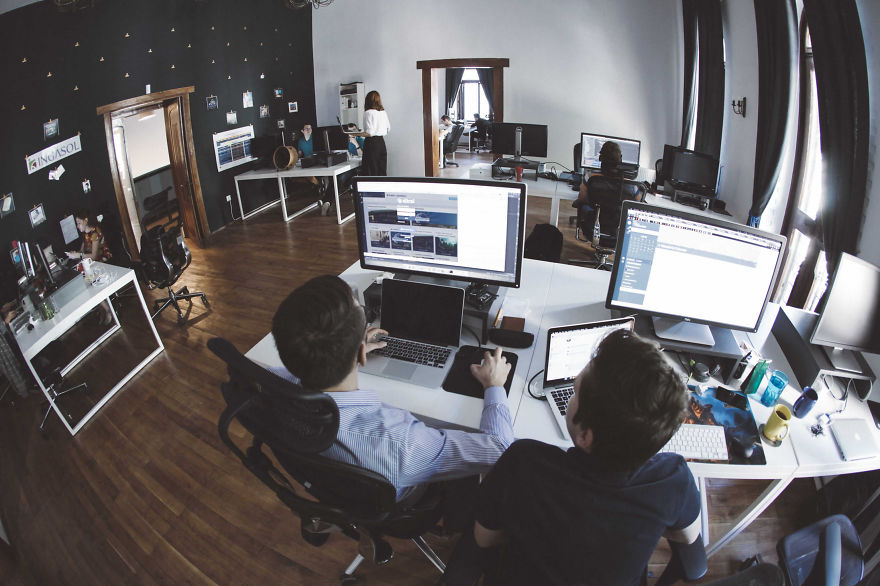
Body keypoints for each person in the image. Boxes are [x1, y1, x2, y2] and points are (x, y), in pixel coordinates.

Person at [456, 329, 699, 585]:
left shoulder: (524, 462)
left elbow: (485, 538)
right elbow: (688, 539)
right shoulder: (674, 480)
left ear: (586, 436)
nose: (571, 396)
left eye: (574, 392)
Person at [270, 275, 513, 518]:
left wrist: (343, 350)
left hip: (326, 485)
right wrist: (494, 385)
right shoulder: (404, 441)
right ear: (363, 354)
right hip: (400, 501)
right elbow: (501, 450)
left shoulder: (269, 385)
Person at [574, 140, 642, 206]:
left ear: (600, 158)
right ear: (620, 159)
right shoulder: (630, 184)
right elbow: (638, 203)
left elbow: (582, 198)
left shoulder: (590, 177)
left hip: (596, 215)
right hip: (618, 217)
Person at [296, 123, 331, 216]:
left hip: (318, 160)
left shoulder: (315, 139)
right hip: (307, 162)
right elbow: (299, 153)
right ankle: (319, 186)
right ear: (302, 131)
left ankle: (324, 191)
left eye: (310, 128)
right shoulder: (301, 141)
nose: (309, 130)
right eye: (306, 129)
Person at [361, 90, 390, 176]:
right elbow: (388, 129)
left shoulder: (368, 113)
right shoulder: (383, 113)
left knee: (371, 172)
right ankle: (382, 189)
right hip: (381, 143)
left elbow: (369, 133)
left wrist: (356, 134)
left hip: (371, 144)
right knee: (381, 171)